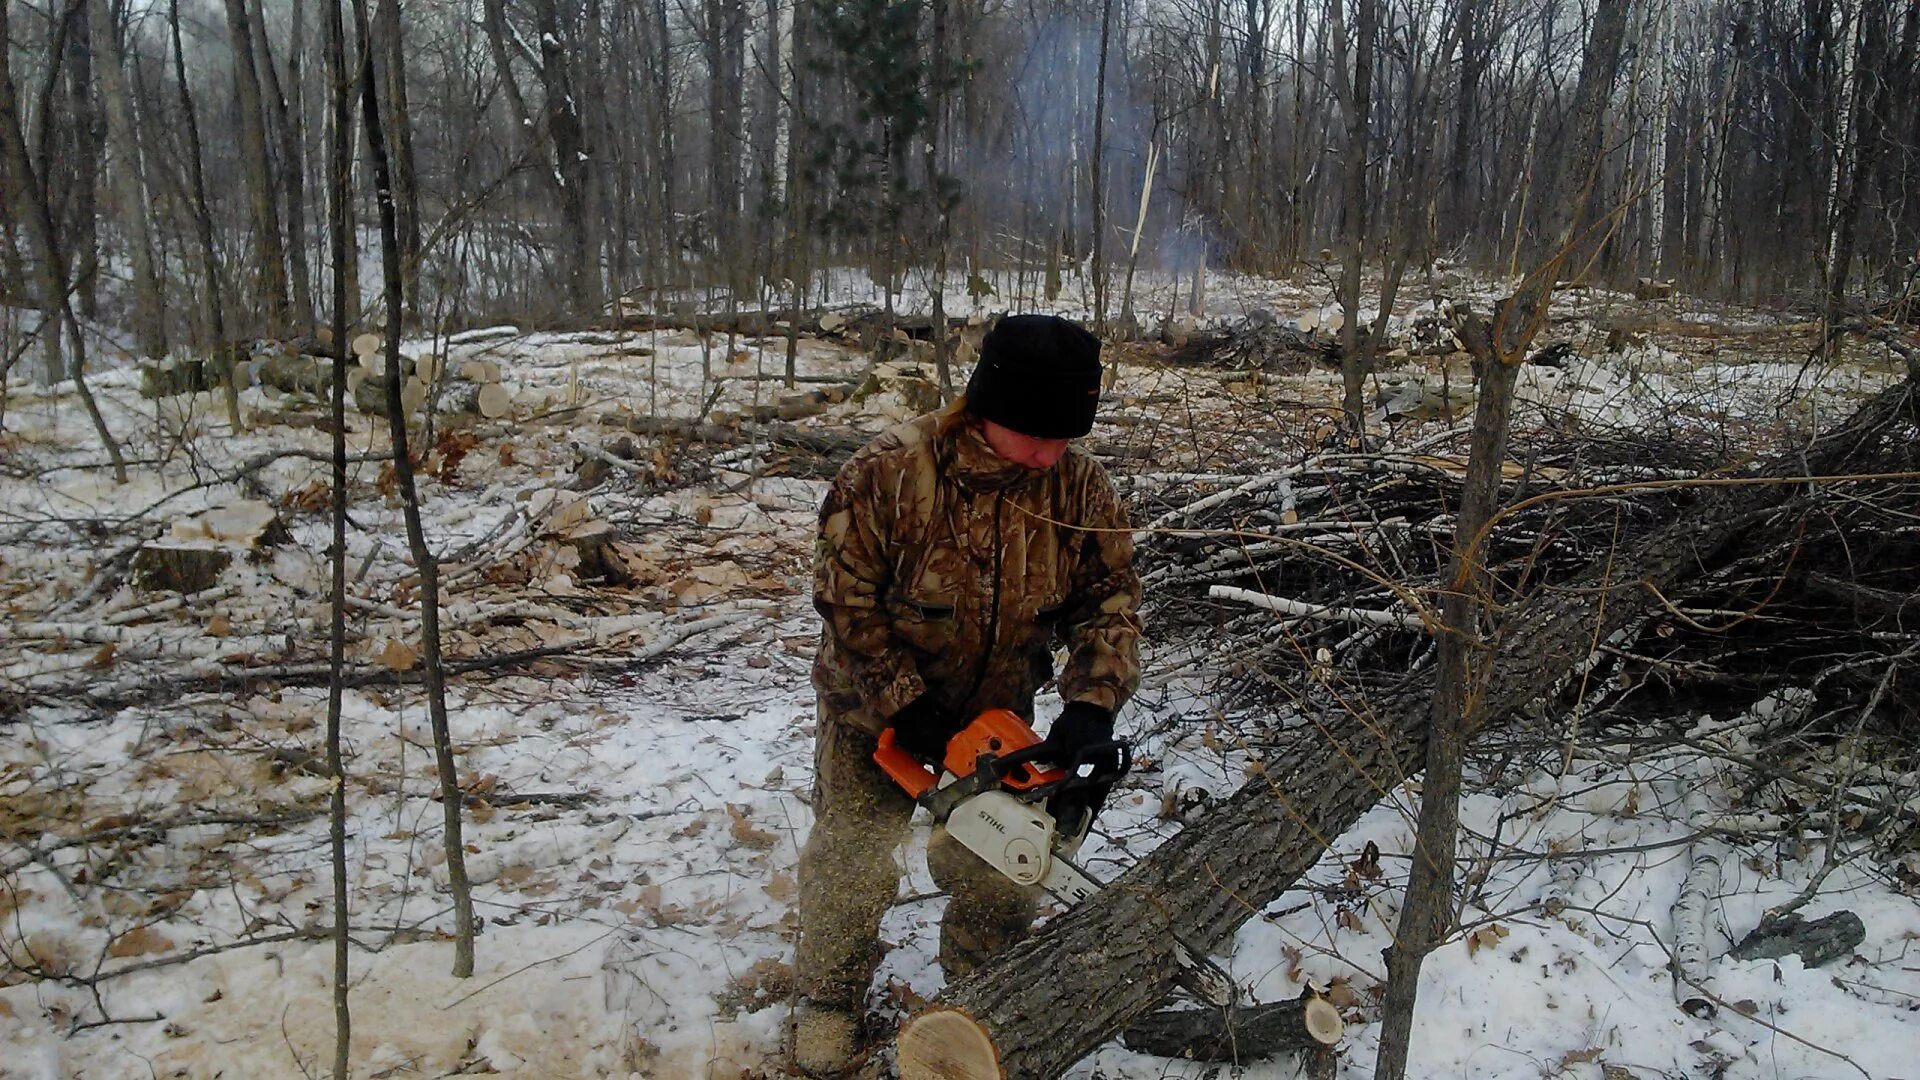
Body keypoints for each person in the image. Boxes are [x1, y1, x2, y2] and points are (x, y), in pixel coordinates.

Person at [793, 314, 1143, 1075]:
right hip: (874, 715)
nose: (1051, 453)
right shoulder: (889, 473)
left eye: (1065, 436)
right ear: (988, 407)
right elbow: (845, 602)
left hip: (994, 719)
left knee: (1002, 865)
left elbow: (1110, 597)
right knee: (851, 857)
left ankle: (984, 995)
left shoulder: (1076, 486)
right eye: (1036, 434)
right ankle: (828, 996)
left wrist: (1092, 701)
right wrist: (902, 700)